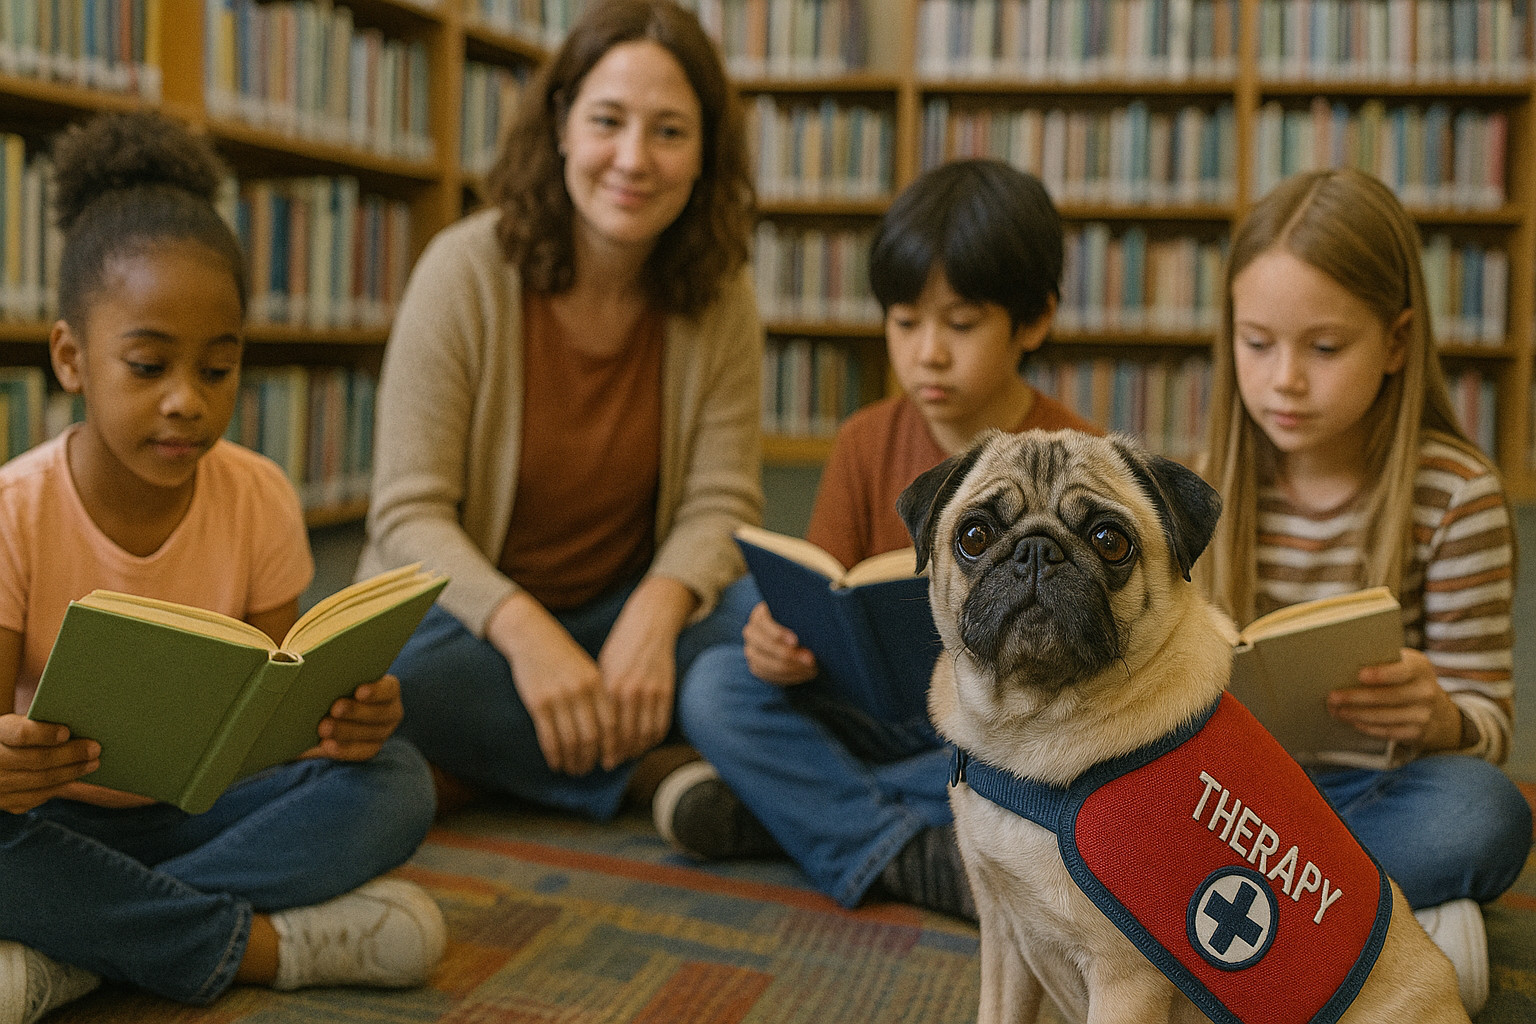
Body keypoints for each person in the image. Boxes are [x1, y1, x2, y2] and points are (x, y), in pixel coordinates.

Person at [0, 112, 444, 1024]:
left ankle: (78, 945)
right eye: (150, 365)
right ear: (72, 358)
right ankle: (266, 949)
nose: (186, 403)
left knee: (399, 782)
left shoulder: (258, 493)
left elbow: (279, 709)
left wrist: (348, 719)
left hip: (208, 808)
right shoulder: (15, 510)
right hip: (58, 819)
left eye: (218, 368)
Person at [657, 159, 1102, 920]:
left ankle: (800, 813)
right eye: (904, 321)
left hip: (988, 730)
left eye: (960, 325)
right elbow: (825, 589)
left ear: (1033, 321)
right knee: (715, 685)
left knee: (1069, 771)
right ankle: (911, 852)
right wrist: (782, 645)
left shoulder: (1076, 460)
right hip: (872, 717)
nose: (927, 352)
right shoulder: (867, 439)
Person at [359, 0, 763, 820]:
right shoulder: (464, 271)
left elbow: (721, 503)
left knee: (774, 641)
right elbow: (409, 513)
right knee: (386, 681)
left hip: (627, 614)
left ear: (705, 154)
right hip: (470, 626)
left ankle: (503, 764)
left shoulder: (721, 296)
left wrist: (655, 615)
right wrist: (523, 632)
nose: (632, 159)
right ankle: (655, 774)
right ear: (561, 126)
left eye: (670, 132)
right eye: (607, 120)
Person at [1199, 166, 1533, 1015]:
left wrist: (1440, 717)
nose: (1284, 381)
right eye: (1257, 343)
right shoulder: (1208, 483)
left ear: (1395, 341)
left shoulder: (1456, 497)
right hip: (1232, 795)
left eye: (1324, 347)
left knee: (1486, 814)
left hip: (1371, 795)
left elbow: (1487, 726)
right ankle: (1382, 927)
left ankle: (1218, 917)